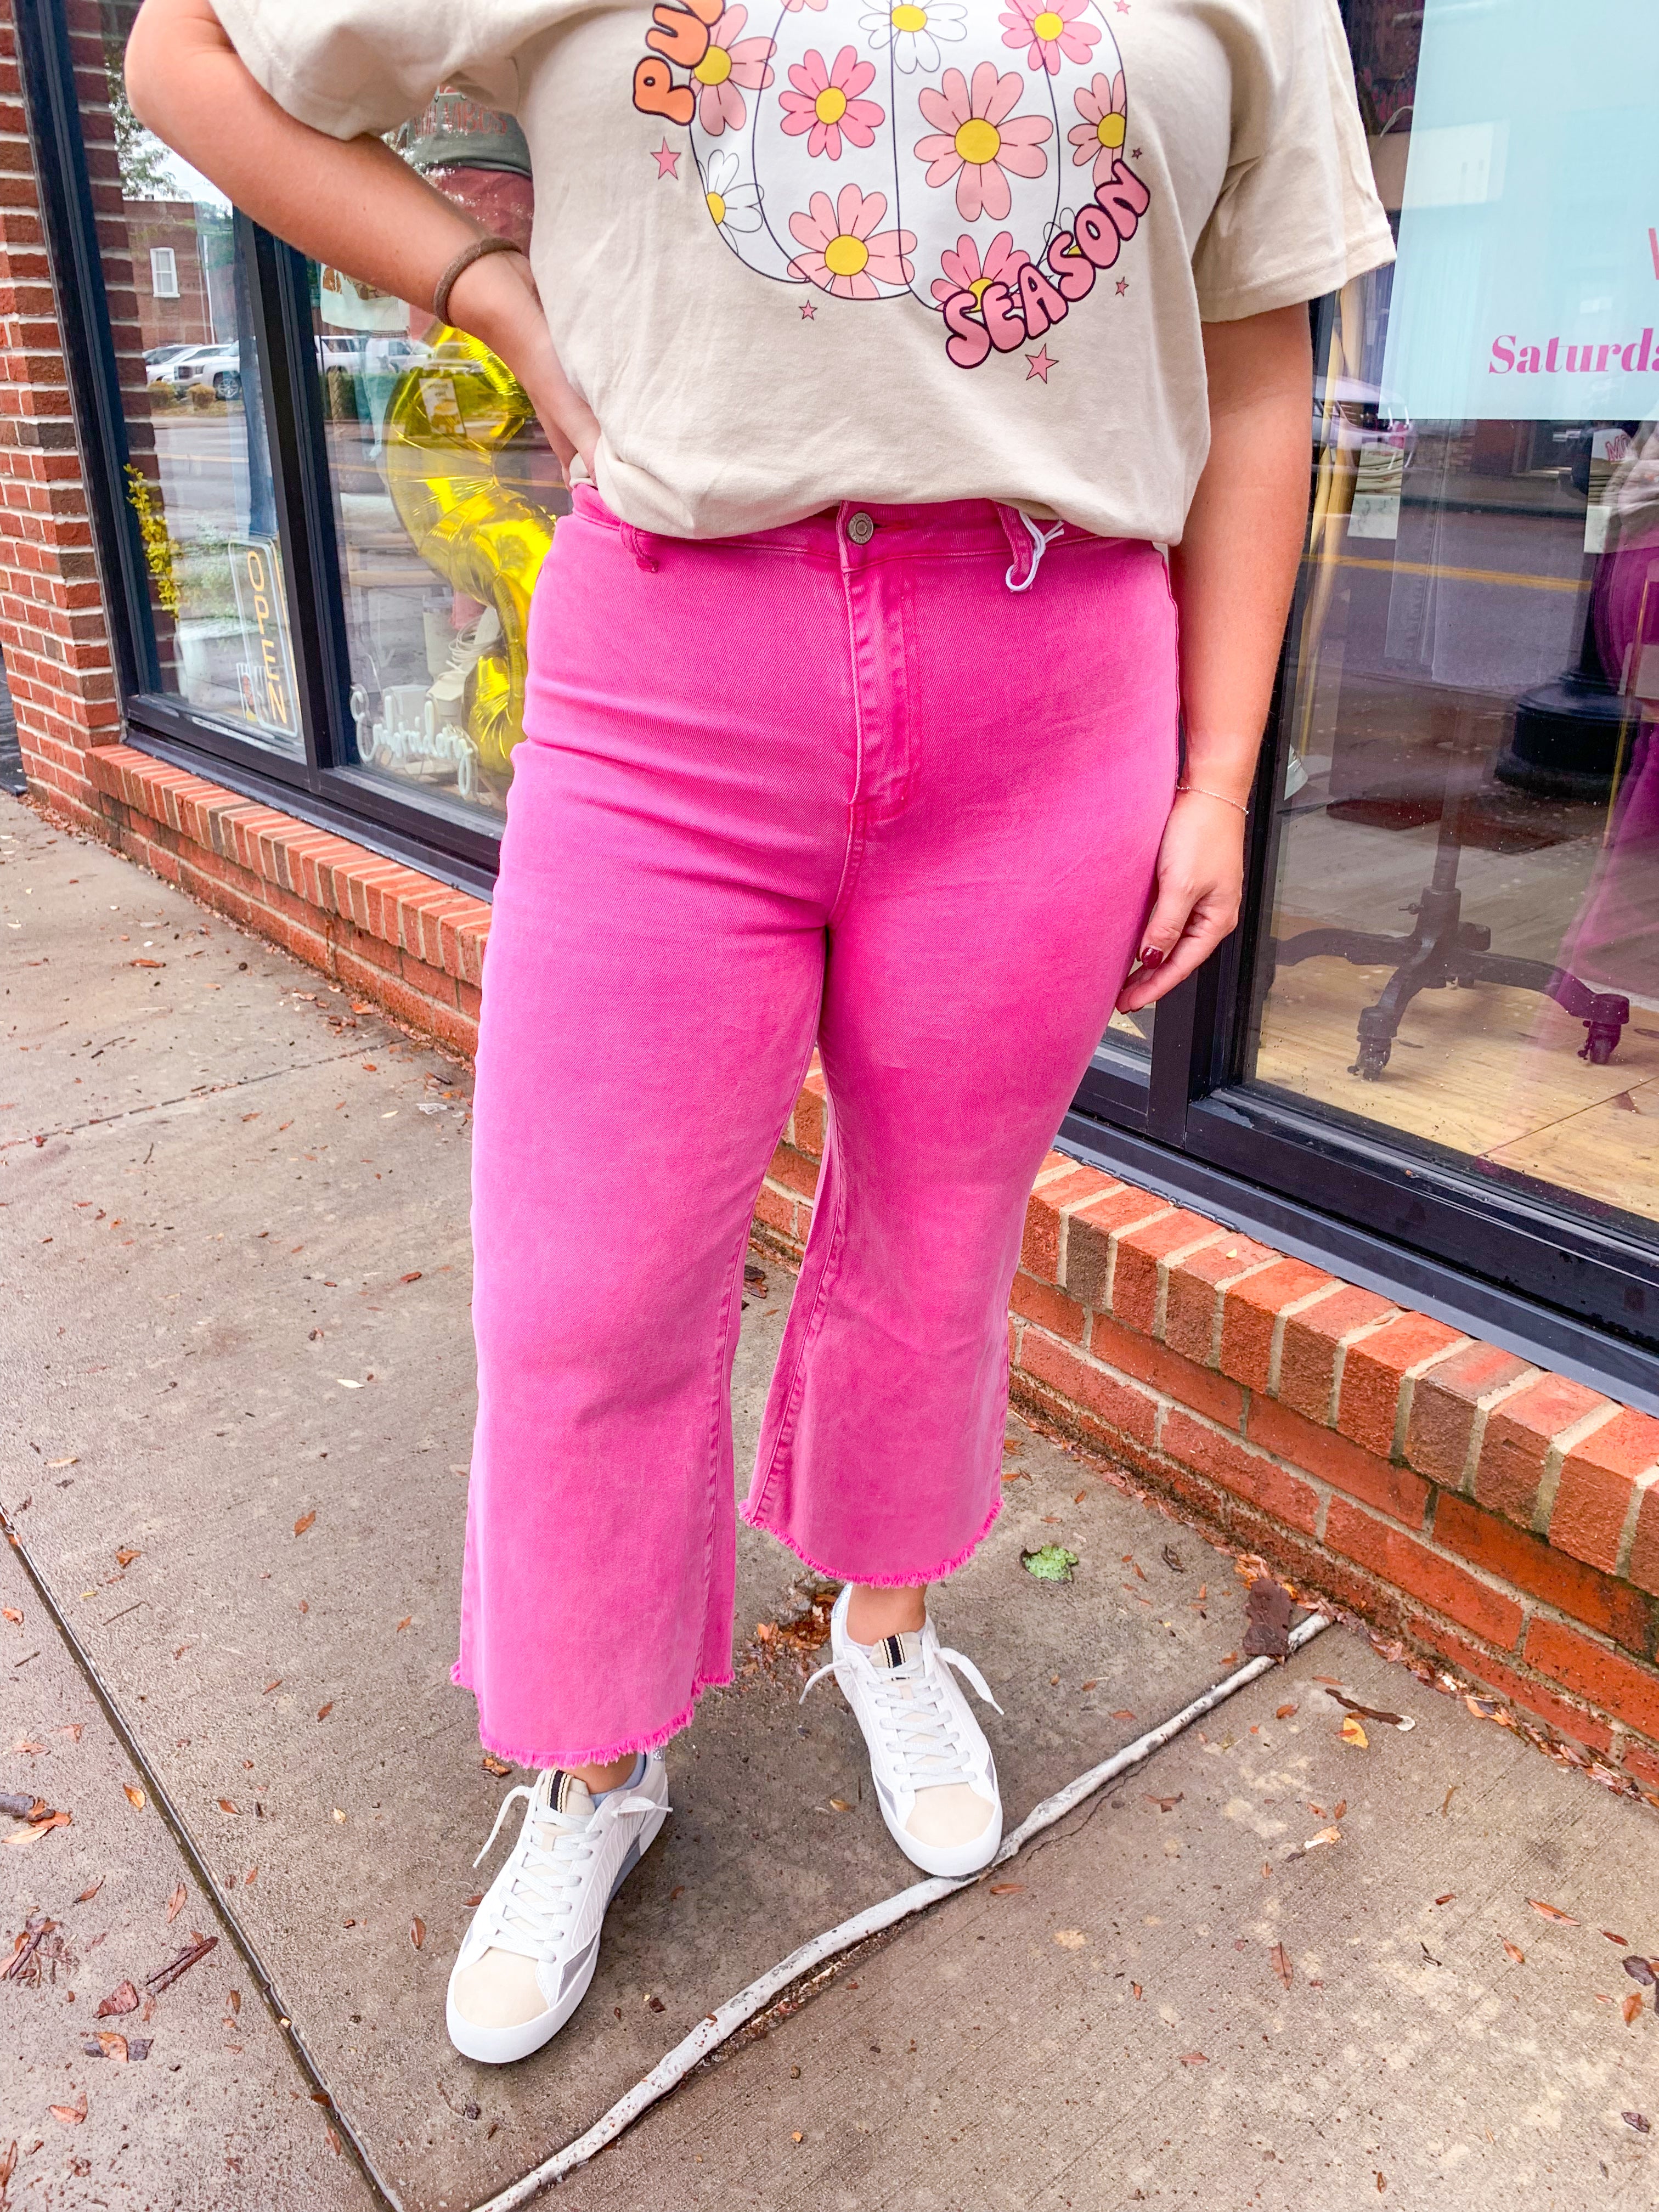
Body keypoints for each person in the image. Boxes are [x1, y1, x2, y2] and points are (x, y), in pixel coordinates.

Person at [128, 0, 1392, 2066]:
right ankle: (590, 1755)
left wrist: (1216, 769)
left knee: (937, 1239)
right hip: (673, 665)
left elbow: (1259, 370)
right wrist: (491, 291)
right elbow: (187, 55)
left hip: (1055, 680)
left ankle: (886, 1623)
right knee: (589, 1287)